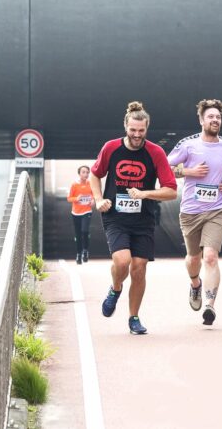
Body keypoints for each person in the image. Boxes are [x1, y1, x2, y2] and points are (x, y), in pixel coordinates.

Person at [90, 101, 177, 335]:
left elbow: (171, 190)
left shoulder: (155, 153)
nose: (137, 135)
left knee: (139, 268)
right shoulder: (111, 148)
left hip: (143, 219)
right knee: (122, 262)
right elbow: (94, 175)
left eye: (141, 131)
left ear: (146, 129)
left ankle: (134, 318)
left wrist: (145, 193)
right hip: (115, 217)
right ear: (126, 126)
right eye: (133, 130)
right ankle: (115, 288)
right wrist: (99, 199)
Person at [167, 99, 222, 325]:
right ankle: (195, 285)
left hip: (217, 209)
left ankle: (209, 305)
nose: (215, 120)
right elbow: (167, 168)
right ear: (201, 120)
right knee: (193, 258)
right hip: (190, 210)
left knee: (210, 256)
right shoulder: (188, 145)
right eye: (210, 117)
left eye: (218, 117)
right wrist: (190, 171)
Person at [67, 165, 94, 264]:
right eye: (83, 172)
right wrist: (76, 199)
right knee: (78, 234)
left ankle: (85, 251)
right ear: (79, 173)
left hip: (87, 211)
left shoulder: (90, 184)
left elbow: (94, 195)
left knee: (84, 231)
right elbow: (69, 198)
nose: (86, 174)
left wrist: (93, 200)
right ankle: (78, 254)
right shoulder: (74, 185)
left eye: (87, 172)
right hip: (76, 213)